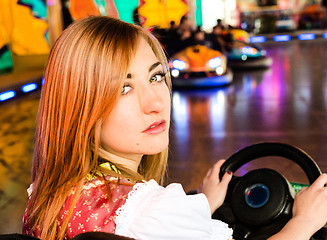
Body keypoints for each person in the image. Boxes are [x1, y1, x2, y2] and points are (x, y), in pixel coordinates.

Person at [23, 16, 327, 240]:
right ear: (79, 107)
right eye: (123, 89)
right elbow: (150, 221)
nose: (155, 102)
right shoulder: (155, 210)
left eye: (155, 77)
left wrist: (203, 205)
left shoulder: (48, 194)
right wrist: (304, 221)